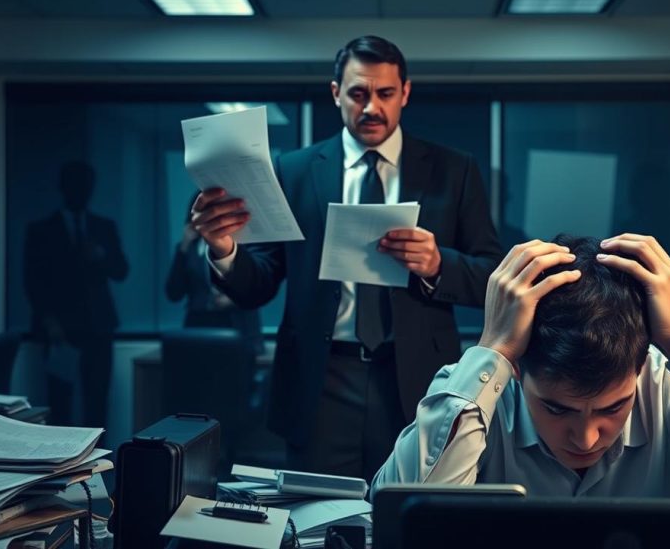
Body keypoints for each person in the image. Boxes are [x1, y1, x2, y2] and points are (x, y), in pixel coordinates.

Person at [191, 35, 502, 479]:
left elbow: (491, 273)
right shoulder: (293, 171)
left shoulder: (454, 169)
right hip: (321, 379)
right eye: (358, 93)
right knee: (319, 517)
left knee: (408, 512)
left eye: (385, 94)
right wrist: (222, 248)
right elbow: (257, 283)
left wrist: (438, 264)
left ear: (405, 93)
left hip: (417, 376)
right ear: (335, 92)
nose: (371, 107)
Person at [372, 234, 670, 503]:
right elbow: (397, 518)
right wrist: (492, 348)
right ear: (516, 370)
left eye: (613, 408)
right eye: (557, 409)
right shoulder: (473, 394)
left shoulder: (669, 387)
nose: (587, 438)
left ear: (641, 369)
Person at [24, 160, 129, 428]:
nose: (82, 191)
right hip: (60, 329)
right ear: (63, 187)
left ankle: (100, 466)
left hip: (99, 326)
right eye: (76, 185)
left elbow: (121, 270)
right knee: (59, 405)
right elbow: (32, 281)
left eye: (87, 185)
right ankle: (60, 466)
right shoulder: (41, 230)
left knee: (98, 404)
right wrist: (49, 321)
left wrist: (101, 255)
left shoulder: (104, 227)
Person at [165, 195, 264, 357]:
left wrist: (235, 298)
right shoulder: (188, 248)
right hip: (199, 327)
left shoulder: (243, 242)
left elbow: (261, 286)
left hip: (237, 324)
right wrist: (184, 246)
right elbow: (173, 293)